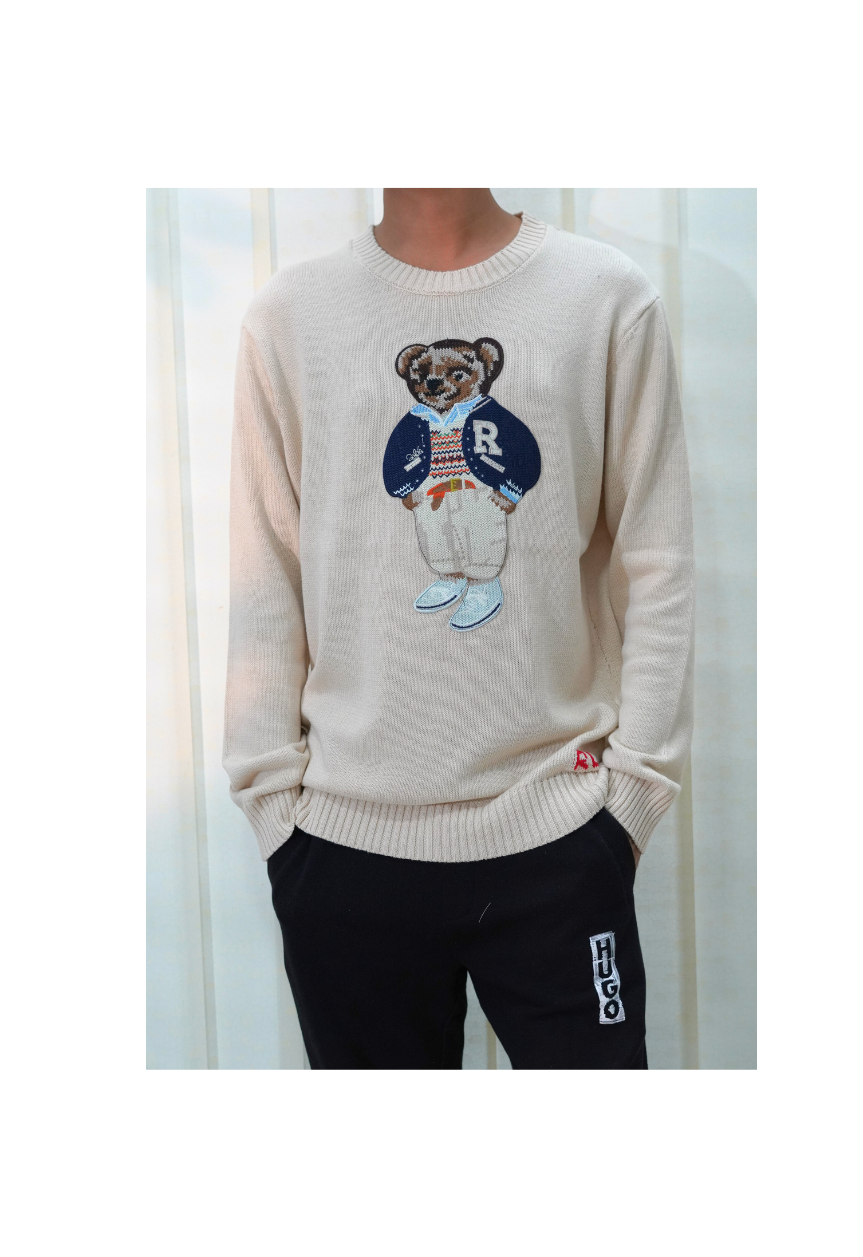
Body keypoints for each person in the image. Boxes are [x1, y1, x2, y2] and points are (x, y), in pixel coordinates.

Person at [223, 188, 694, 1069]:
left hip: (559, 832)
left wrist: (632, 799)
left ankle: (475, 584)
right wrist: (272, 807)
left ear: (481, 368)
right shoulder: (289, 318)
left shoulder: (602, 297)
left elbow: (656, 558)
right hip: (342, 843)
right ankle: (453, 581)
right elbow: (266, 572)